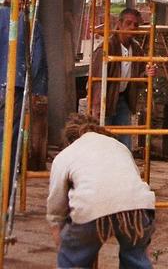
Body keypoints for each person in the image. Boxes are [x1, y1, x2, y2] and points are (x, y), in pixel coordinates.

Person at [46, 112, 155, 268]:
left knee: (72, 261)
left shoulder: (66, 154)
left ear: (69, 139)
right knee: (135, 257)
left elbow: (56, 202)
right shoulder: (120, 146)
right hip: (138, 208)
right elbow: (134, 178)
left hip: (92, 207)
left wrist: (61, 238)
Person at [90, 7, 152, 150]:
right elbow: (97, 79)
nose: (132, 27)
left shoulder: (136, 49)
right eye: (128, 23)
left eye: (136, 25)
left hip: (123, 98)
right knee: (103, 139)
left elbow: (138, 77)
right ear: (119, 24)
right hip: (106, 99)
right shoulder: (107, 47)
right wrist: (96, 106)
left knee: (124, 141)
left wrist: (146, 74)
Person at [0, 0, 48, 174]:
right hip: (15, 85)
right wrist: (37, 89)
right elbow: (37, 59)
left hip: (6, 81)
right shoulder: (30, 22)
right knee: (9, 139)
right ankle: (5, 181)